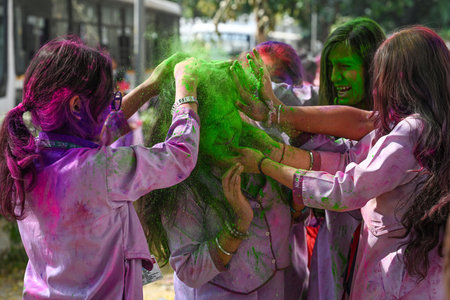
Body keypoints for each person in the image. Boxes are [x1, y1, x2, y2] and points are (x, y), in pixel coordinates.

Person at [244, 26, 449, 299]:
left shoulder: (410, 132)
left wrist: (266, 165)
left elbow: (346, 189)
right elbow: (350, 159)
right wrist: (277, 125)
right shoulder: (426, 125)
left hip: (396, 278)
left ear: (404, 78)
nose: (378, 86)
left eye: (382, 74)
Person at [0, 36, 201, 299]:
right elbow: (180, 155)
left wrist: (150, 87)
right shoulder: (101, 171)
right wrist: (186, 92)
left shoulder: (25, 160)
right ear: (75, 106)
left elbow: (99, 135)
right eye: (109, 101)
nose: (112, 108)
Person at [235, 17, 386, 300]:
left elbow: (340, 176)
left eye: (344, 67)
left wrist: (271, 142)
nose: (334, 77)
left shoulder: (389, 134)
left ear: (374, 69)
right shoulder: (322, 121)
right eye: (330, 68)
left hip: (375, 268)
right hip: (329, 261)